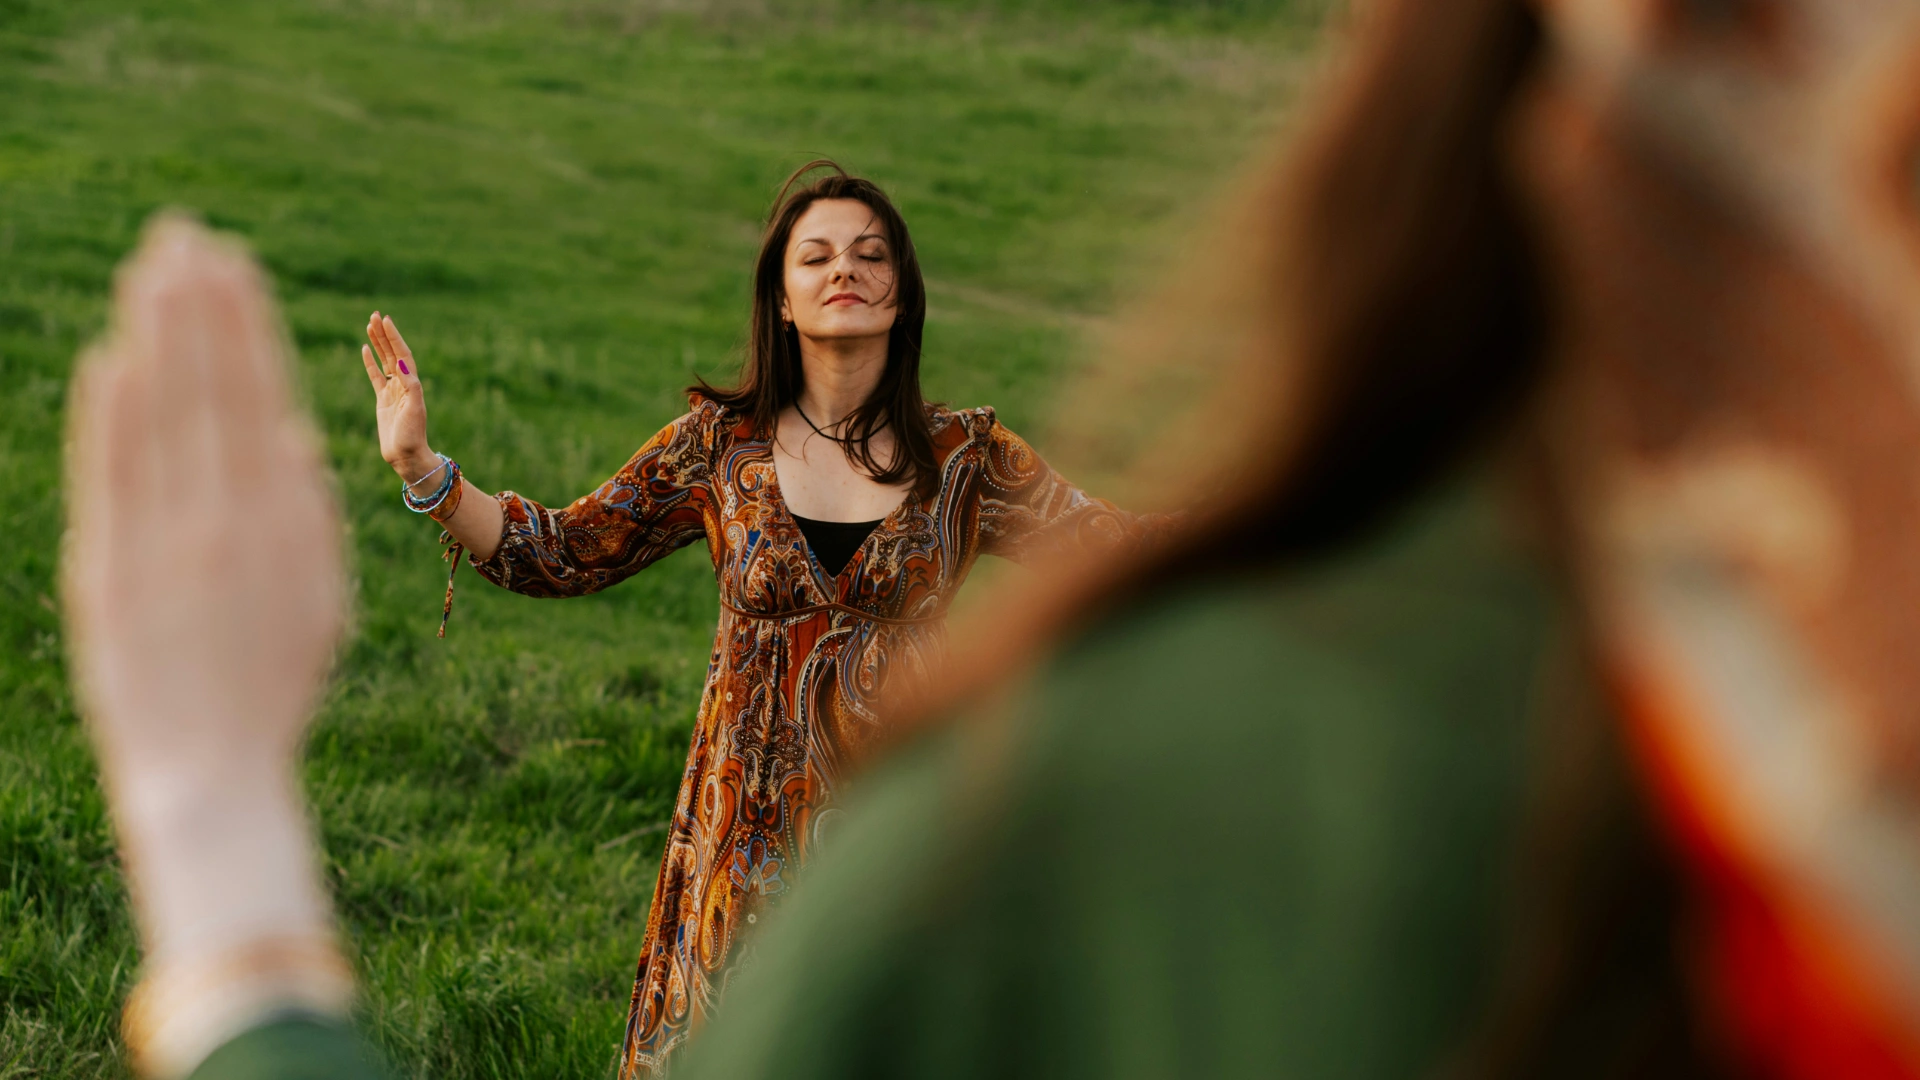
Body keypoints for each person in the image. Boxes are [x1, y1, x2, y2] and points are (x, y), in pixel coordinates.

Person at [354, 160, 1170, 1075]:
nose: (844, 269)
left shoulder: (967, 457)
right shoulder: (718, 446)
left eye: (870, 255)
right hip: (740, 843)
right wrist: (422, 467)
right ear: (782, 300)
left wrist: (1293, 488)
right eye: (815, 256)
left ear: (903, 294)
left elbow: (1121, 549)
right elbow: (564, 550)